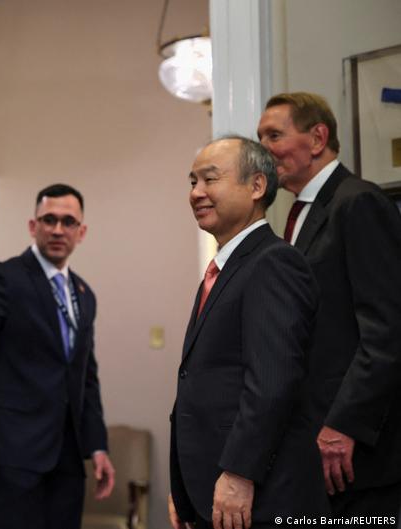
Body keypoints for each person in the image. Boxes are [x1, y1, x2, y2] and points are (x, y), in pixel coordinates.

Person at [168, 136, 327, 529]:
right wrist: (184, 484)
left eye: (210, 179)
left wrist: (240, 472)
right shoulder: (224, 268)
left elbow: (272, 382)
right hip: (209, 485)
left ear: (256, 186)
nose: (196, 193)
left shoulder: (273, 262)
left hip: (258, 493)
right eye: (192, 182)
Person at [0, 183, 115, 529]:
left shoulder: (84, 294)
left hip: (66, 455)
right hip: (13, 450)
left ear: (81, 232)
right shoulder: (4, 277)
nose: (58, 229)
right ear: (33, 226)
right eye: (49, 219)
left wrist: (97, 446)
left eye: (68, 221)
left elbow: (85, 377)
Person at [257, 92, 401, 516]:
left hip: (359, 454)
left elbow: (387, 330)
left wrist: (344, 424)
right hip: (313, 446)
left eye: (274, 136)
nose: (263, 149)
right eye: (260, 138)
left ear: (317, 138)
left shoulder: (357, 202)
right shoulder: (300, 212)